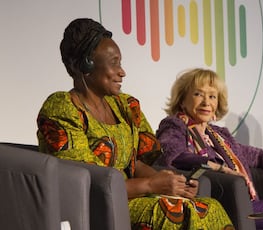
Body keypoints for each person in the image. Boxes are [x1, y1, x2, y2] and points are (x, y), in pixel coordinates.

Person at [36, 18, 234, 230]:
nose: (122, 72)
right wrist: (151, 185)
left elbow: (136, 164)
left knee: (209, 207)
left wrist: (171, 183)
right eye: (114, 63)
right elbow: (86, 181)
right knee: (173, 213)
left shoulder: (125, 105)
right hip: (97, 206)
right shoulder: (62, 108)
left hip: (135, 196)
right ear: (86, 64)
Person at [154, 68, 263, 229]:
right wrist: (219, 168)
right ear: (183, 100)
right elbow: (174, 155)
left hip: (251, 202)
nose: (206, 102)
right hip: (225, 204)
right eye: (198, 94)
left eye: (212, 96)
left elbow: (259, 156)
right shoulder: (174, 125)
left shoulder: (219, 136)